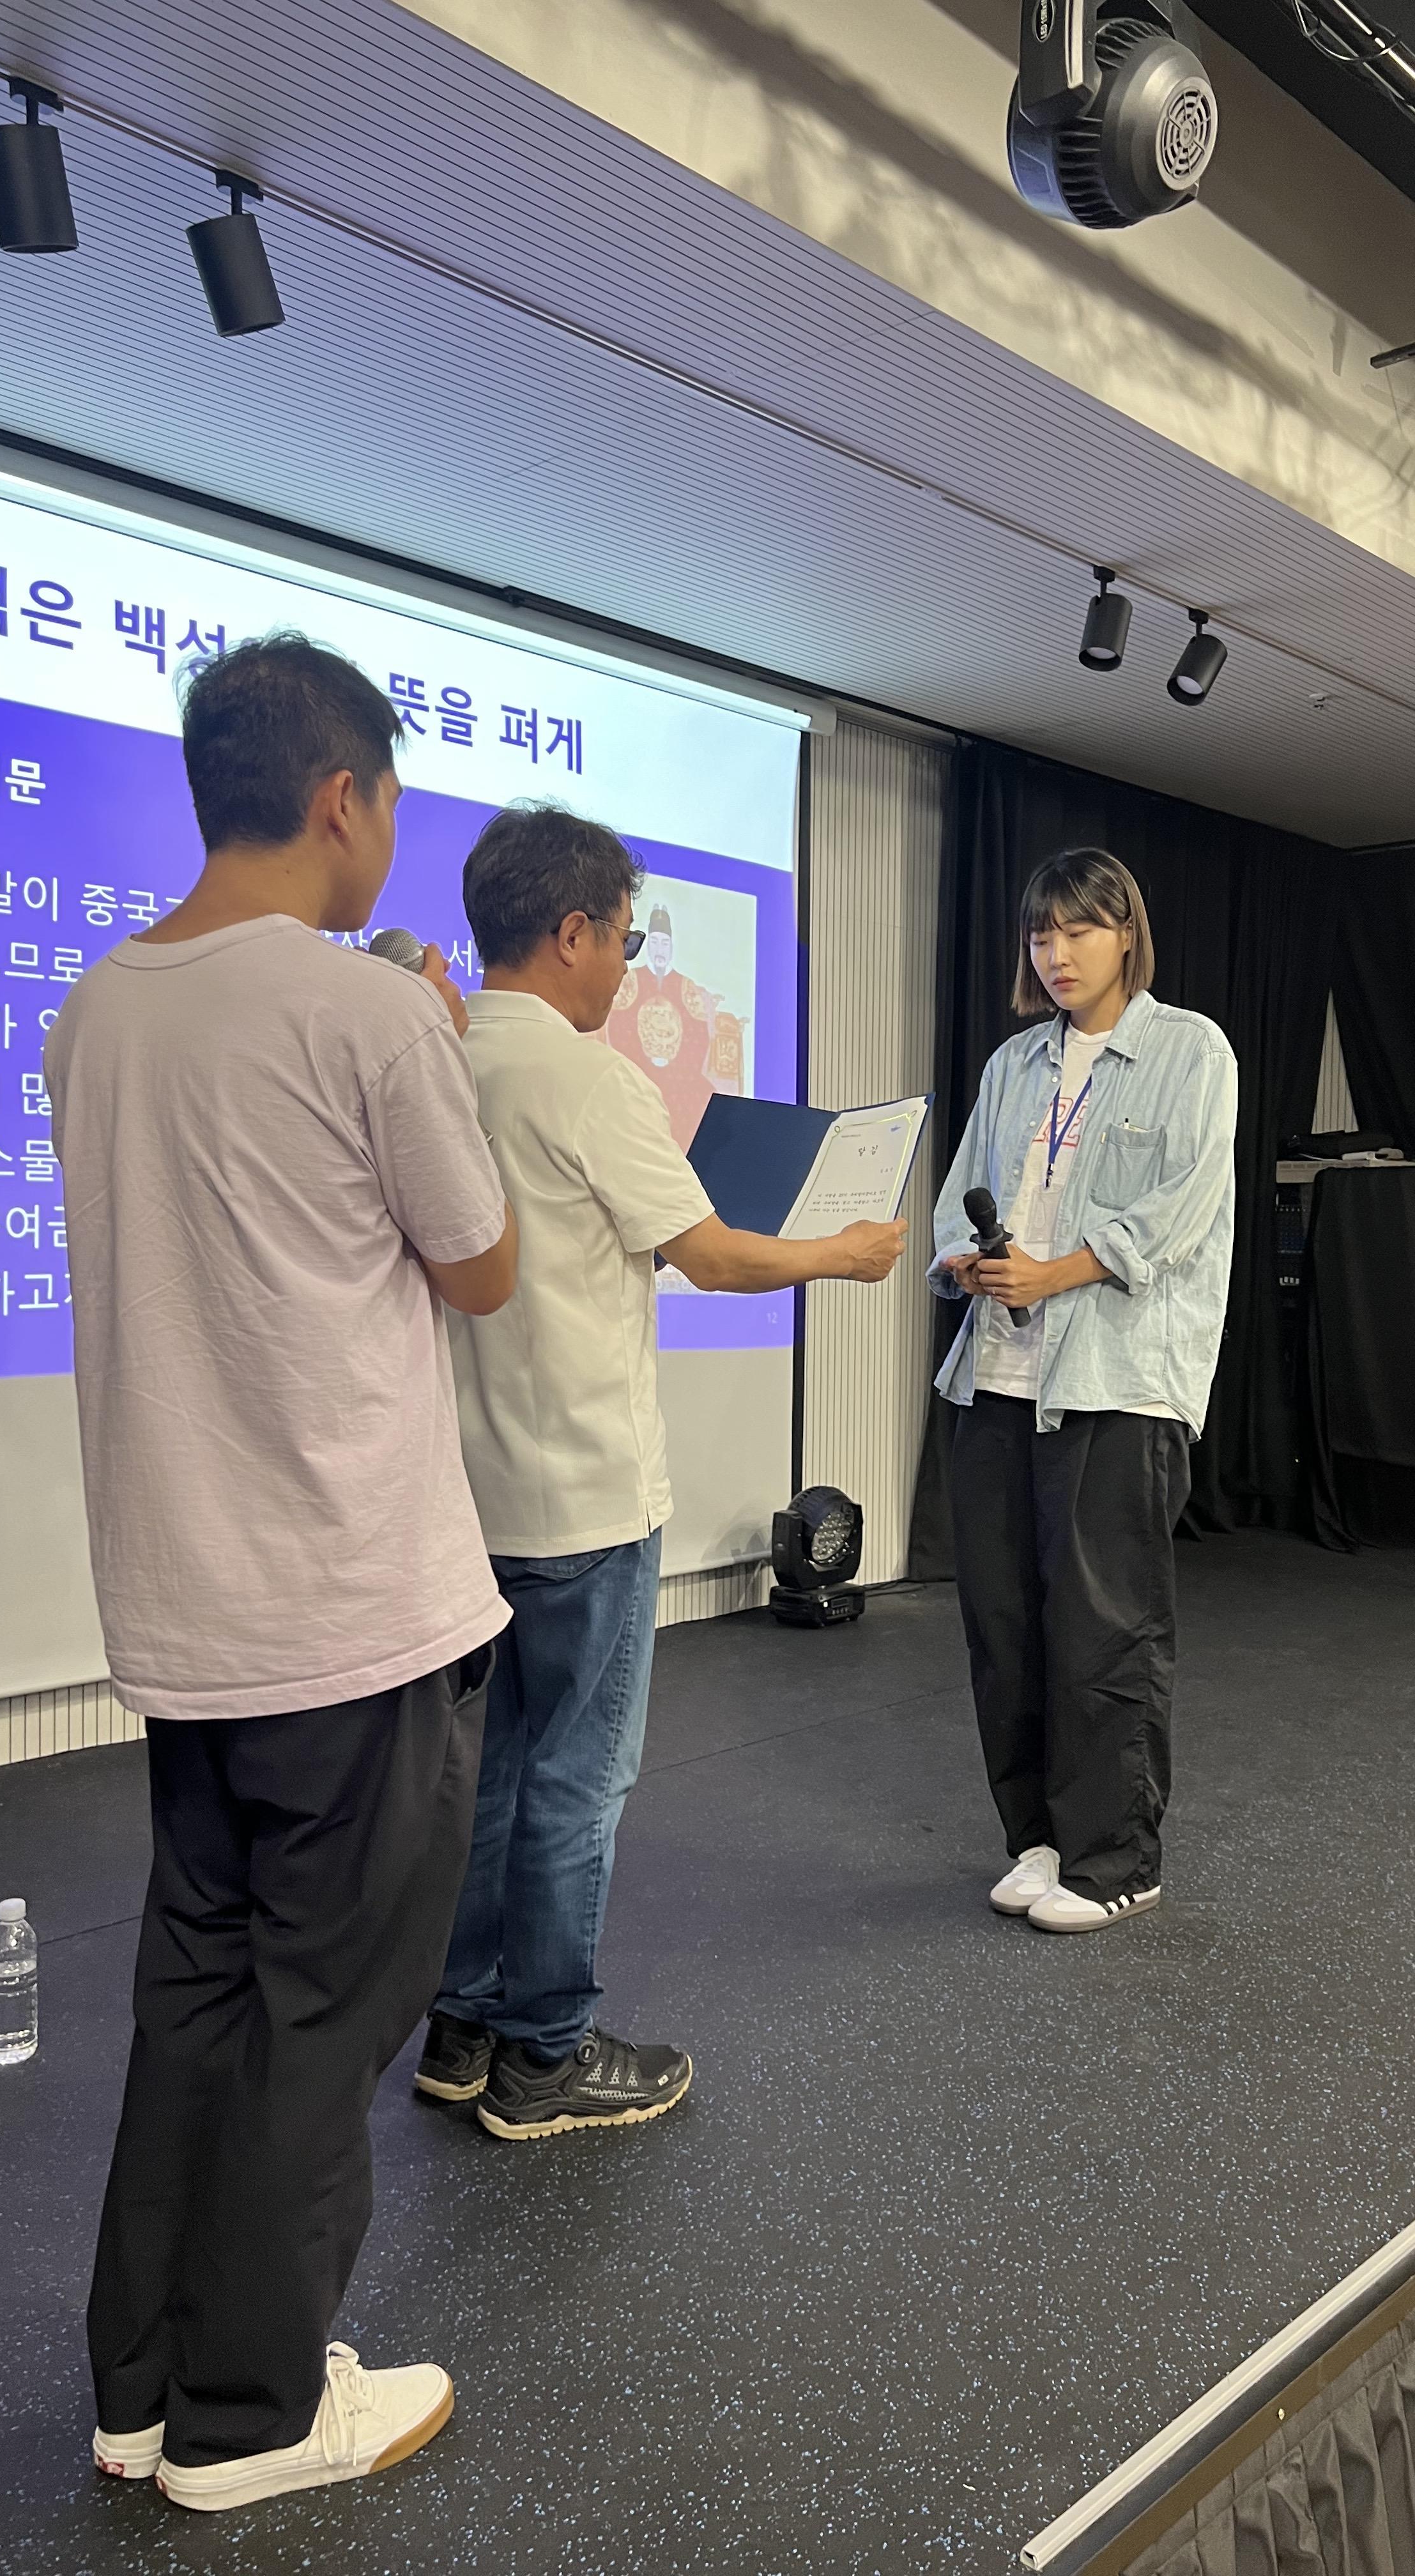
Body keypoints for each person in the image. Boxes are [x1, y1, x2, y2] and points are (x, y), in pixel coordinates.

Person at [47, 634, 517, 2513]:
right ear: (343, 800)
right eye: (393, 805)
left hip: (191, 1615)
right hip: (354, 1611)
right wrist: (430, 1043)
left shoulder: (96, 1009)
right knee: (323, 2016)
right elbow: (479, 1266)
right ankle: (249, 2419)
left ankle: (143, 2391)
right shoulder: (369, 1015)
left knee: (201, 1994)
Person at [415, 802, 905, 2138]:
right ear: (571, 930)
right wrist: (840, 1254)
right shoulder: (588, 1080)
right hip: (584, 1492)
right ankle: (545, 2057)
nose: (628, 970)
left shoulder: (431, 1056)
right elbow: (711, 1254)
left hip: (465, 1497)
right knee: (577, 1777)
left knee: (495, 1770)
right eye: (626, 942)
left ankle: (461, 2029)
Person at [928, 847, 1235, 1934]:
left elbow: (1177, 1211)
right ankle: (1040, 1839)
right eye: (1039, 933)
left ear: (1125, 933)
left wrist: (1052, 1273)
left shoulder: (1190, 1049)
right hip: (995, 1376)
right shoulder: (1014, 1062)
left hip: (1115, 1383)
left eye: (1078, 929)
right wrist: (966, 1263)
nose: (1056, 953)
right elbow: (957, 1198)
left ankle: (1118, 1861)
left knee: (1105, 1632)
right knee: (1004, 1626)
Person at [607, 899, 719, 1146]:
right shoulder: (630, 981)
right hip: (636, 1071)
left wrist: (674, 1064)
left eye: (665, 943)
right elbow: (617, 1030)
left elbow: (700, 1038)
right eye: (655, 943)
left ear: (671, 947)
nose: (660, 950)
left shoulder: (687, 988)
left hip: (680, 1075)